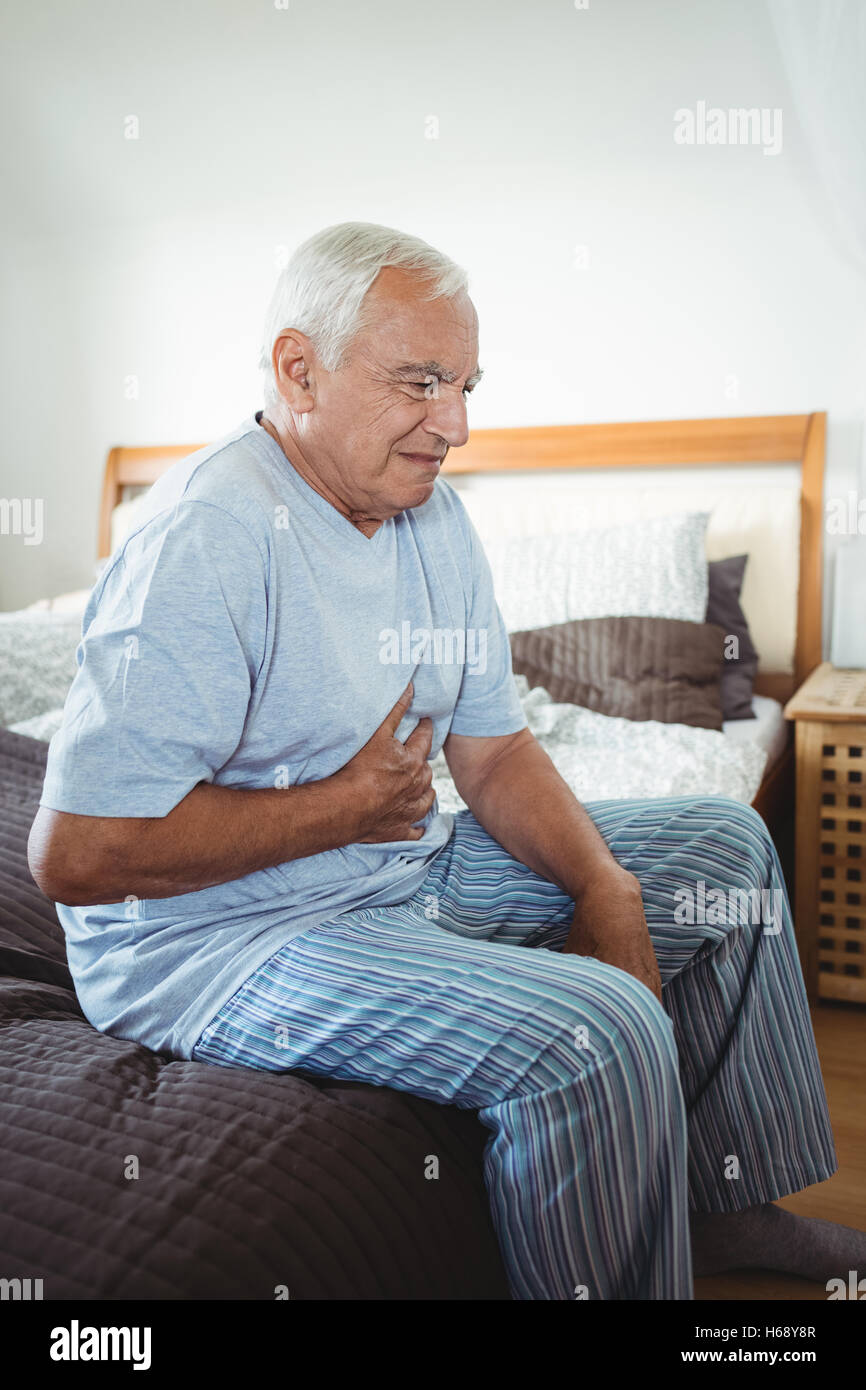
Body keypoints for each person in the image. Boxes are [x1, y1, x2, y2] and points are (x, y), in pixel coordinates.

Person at [28, 222, 861, 1299]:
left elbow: (496, 745)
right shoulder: (205, 537)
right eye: (421, 383)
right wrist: (337, 810)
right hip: (214, 943)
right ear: (298, 369)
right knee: (591, 1027)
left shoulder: (433, 520)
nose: (457, 425)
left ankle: (720, 1209)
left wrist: (601, 885)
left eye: (467, 385)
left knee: (723, 848)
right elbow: (76, 855)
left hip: (392, 871)